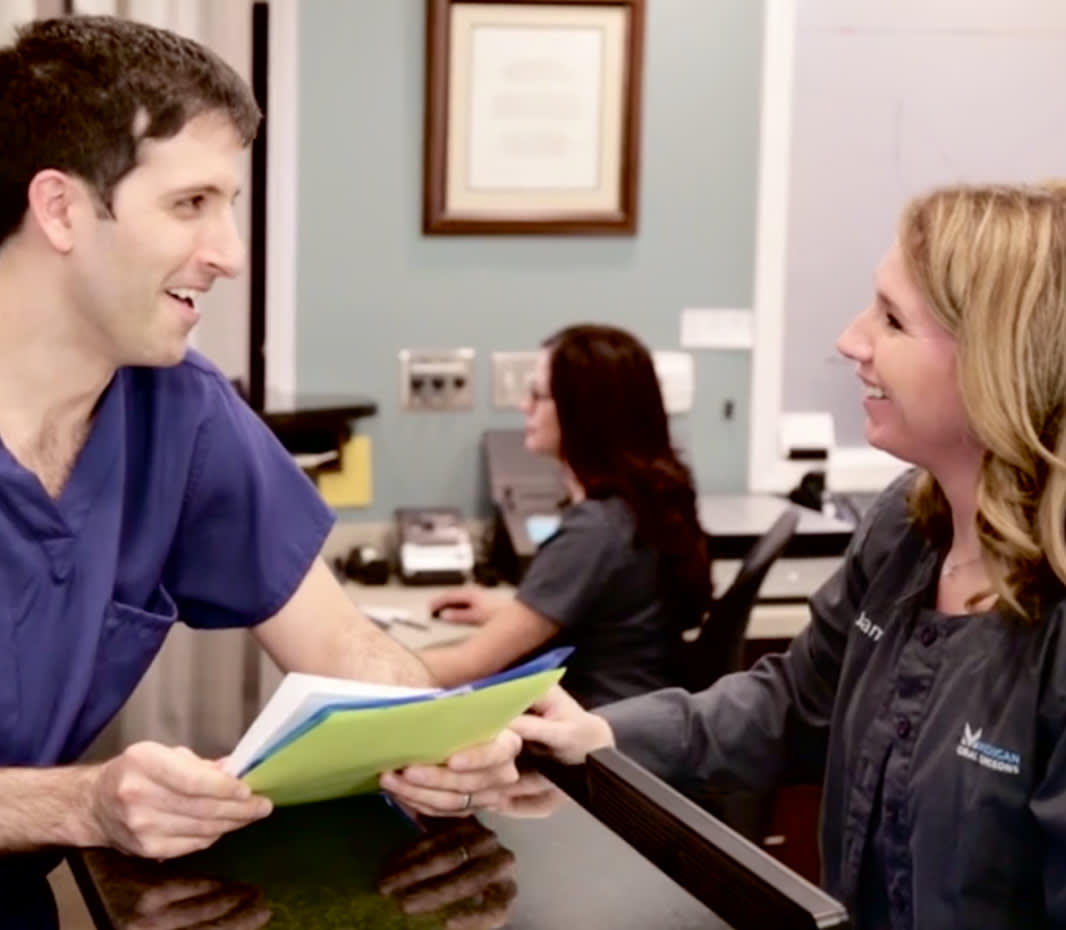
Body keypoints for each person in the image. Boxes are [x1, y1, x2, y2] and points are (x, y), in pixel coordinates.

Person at [466, 183, 1066, 929]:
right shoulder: (904, 533)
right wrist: (607, 735)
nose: (851, 340)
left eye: (891, 318)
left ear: (1000, 358)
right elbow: (794, 704)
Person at [0, 15, 519, 862]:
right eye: (190, 204)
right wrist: (77, 805)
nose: (230, 254)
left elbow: (342, 643)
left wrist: (441, 738)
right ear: (61, 208)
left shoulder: (178, 411)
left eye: (230, 204)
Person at [423, 324, 712, 708]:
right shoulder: (639, 506)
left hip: (595, 736)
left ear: (584, 410)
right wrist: (516, 611)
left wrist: (354, 659)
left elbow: (469, 665)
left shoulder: (595, 531)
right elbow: (605, 620)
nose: (523, 406)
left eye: (538, 396)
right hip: (637, 719)